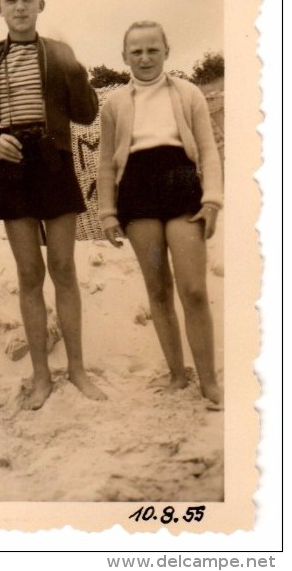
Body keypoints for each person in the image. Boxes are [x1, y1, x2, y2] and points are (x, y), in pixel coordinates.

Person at [0, 0, 107, 409]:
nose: (20, 7)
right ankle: (41, 377)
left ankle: (78, 371)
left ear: (40, 5)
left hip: (55, 160)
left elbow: (86, 113)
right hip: (14, 167)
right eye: (12, 0)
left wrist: (76, 66)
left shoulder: (59, 52)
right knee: (30, 274)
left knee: (64, 268)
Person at [98, 21, 223, 408]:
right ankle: (176, 375)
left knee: (194, 290)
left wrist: (212, 199)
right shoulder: (114, 104)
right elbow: (104, 164)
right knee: (158, 290)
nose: (145, 57)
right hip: (137, 191)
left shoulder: (187, 94)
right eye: (136, 51)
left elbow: (208, 149)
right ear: (124, 57)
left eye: (153, 49)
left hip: (181, 185)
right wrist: (107, 212)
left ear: (166, 51)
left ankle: (208, 381)